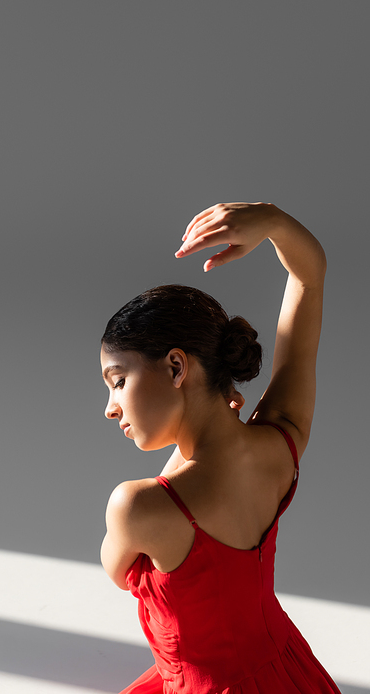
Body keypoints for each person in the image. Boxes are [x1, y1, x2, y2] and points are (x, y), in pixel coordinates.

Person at [100, 202, 340, 693]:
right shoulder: (281, 440)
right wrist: (273, 220)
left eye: (117, 381)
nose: (110, 407)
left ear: (174, 367)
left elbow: (117, 569)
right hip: (290, 673)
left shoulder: (138, 505)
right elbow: (309, 278)